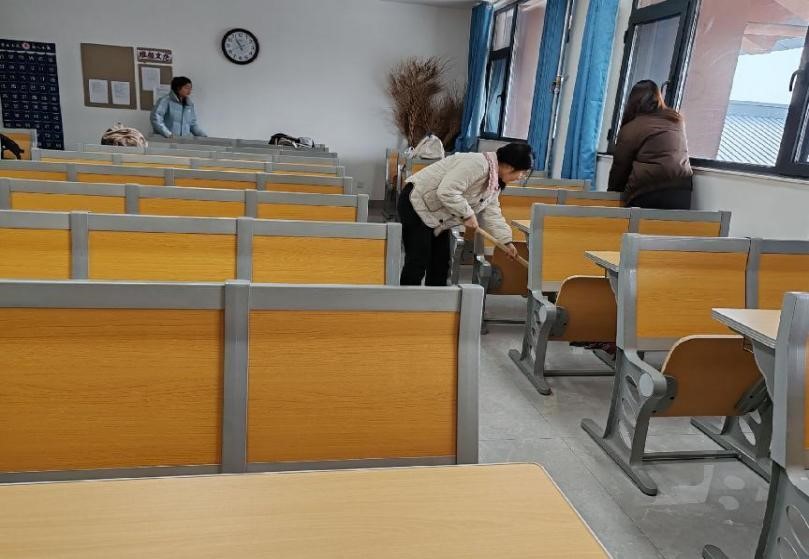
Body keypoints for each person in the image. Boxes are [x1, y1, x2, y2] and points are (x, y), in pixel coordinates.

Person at [398, 143, 534, 286]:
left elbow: (492, 214)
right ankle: (406, 299)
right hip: (416, 203)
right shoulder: (478, 164)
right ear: (509, 167)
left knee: (440, 263)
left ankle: (436, 299)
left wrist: (506, 242)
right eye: (522, 172)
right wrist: (468, 215)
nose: (521, 177)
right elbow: (447, 191)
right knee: (418, 259)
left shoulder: (494, 182)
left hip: (438, 215)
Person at [608, 80, 693, 209]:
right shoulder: (676, 120)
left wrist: (610, 198)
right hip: (682, 192)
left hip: (645, 194)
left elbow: (620, 168)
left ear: (632, 102)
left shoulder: (632, 127)